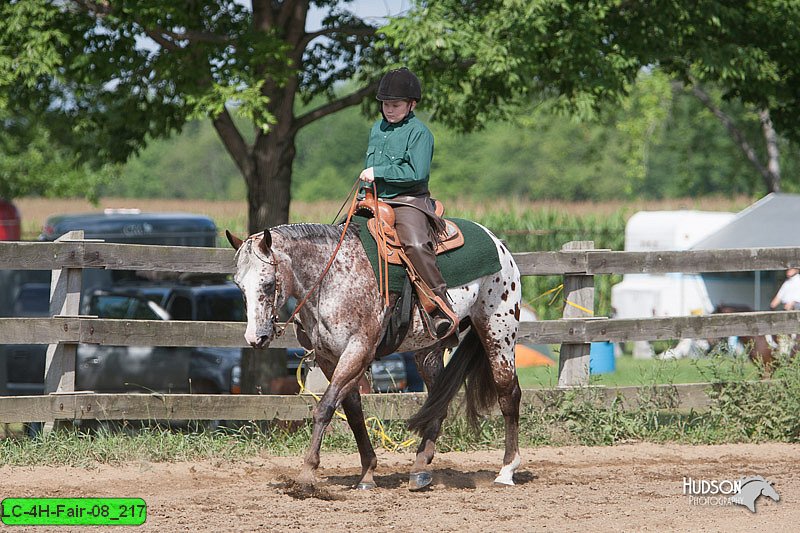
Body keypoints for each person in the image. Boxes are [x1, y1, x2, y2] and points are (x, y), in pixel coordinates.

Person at [358, 67, 457, 339]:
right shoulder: (377, 128)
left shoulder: (420, 133)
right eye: (385, 105)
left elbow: (417, 173)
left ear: (411, 104)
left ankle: (439, 306)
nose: (389, 110)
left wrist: (379, 173)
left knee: (414, 243)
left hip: (408, 201)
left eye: (395, 105)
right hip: (374, 198)